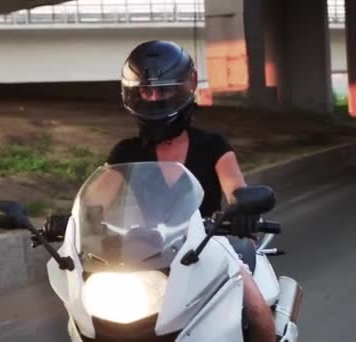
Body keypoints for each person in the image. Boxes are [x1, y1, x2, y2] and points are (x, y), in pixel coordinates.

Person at [105, 40, 276, 342]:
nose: (155, 98)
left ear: (185, 88)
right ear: (134, 94)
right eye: (147, 90)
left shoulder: (213, 147)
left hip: (208, 245)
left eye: (165, 89)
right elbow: (99, 200)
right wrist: (71, 223)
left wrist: (242, 211)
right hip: (144, 255)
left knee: (258, 312)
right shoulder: (124, 153)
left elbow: (235, 188)